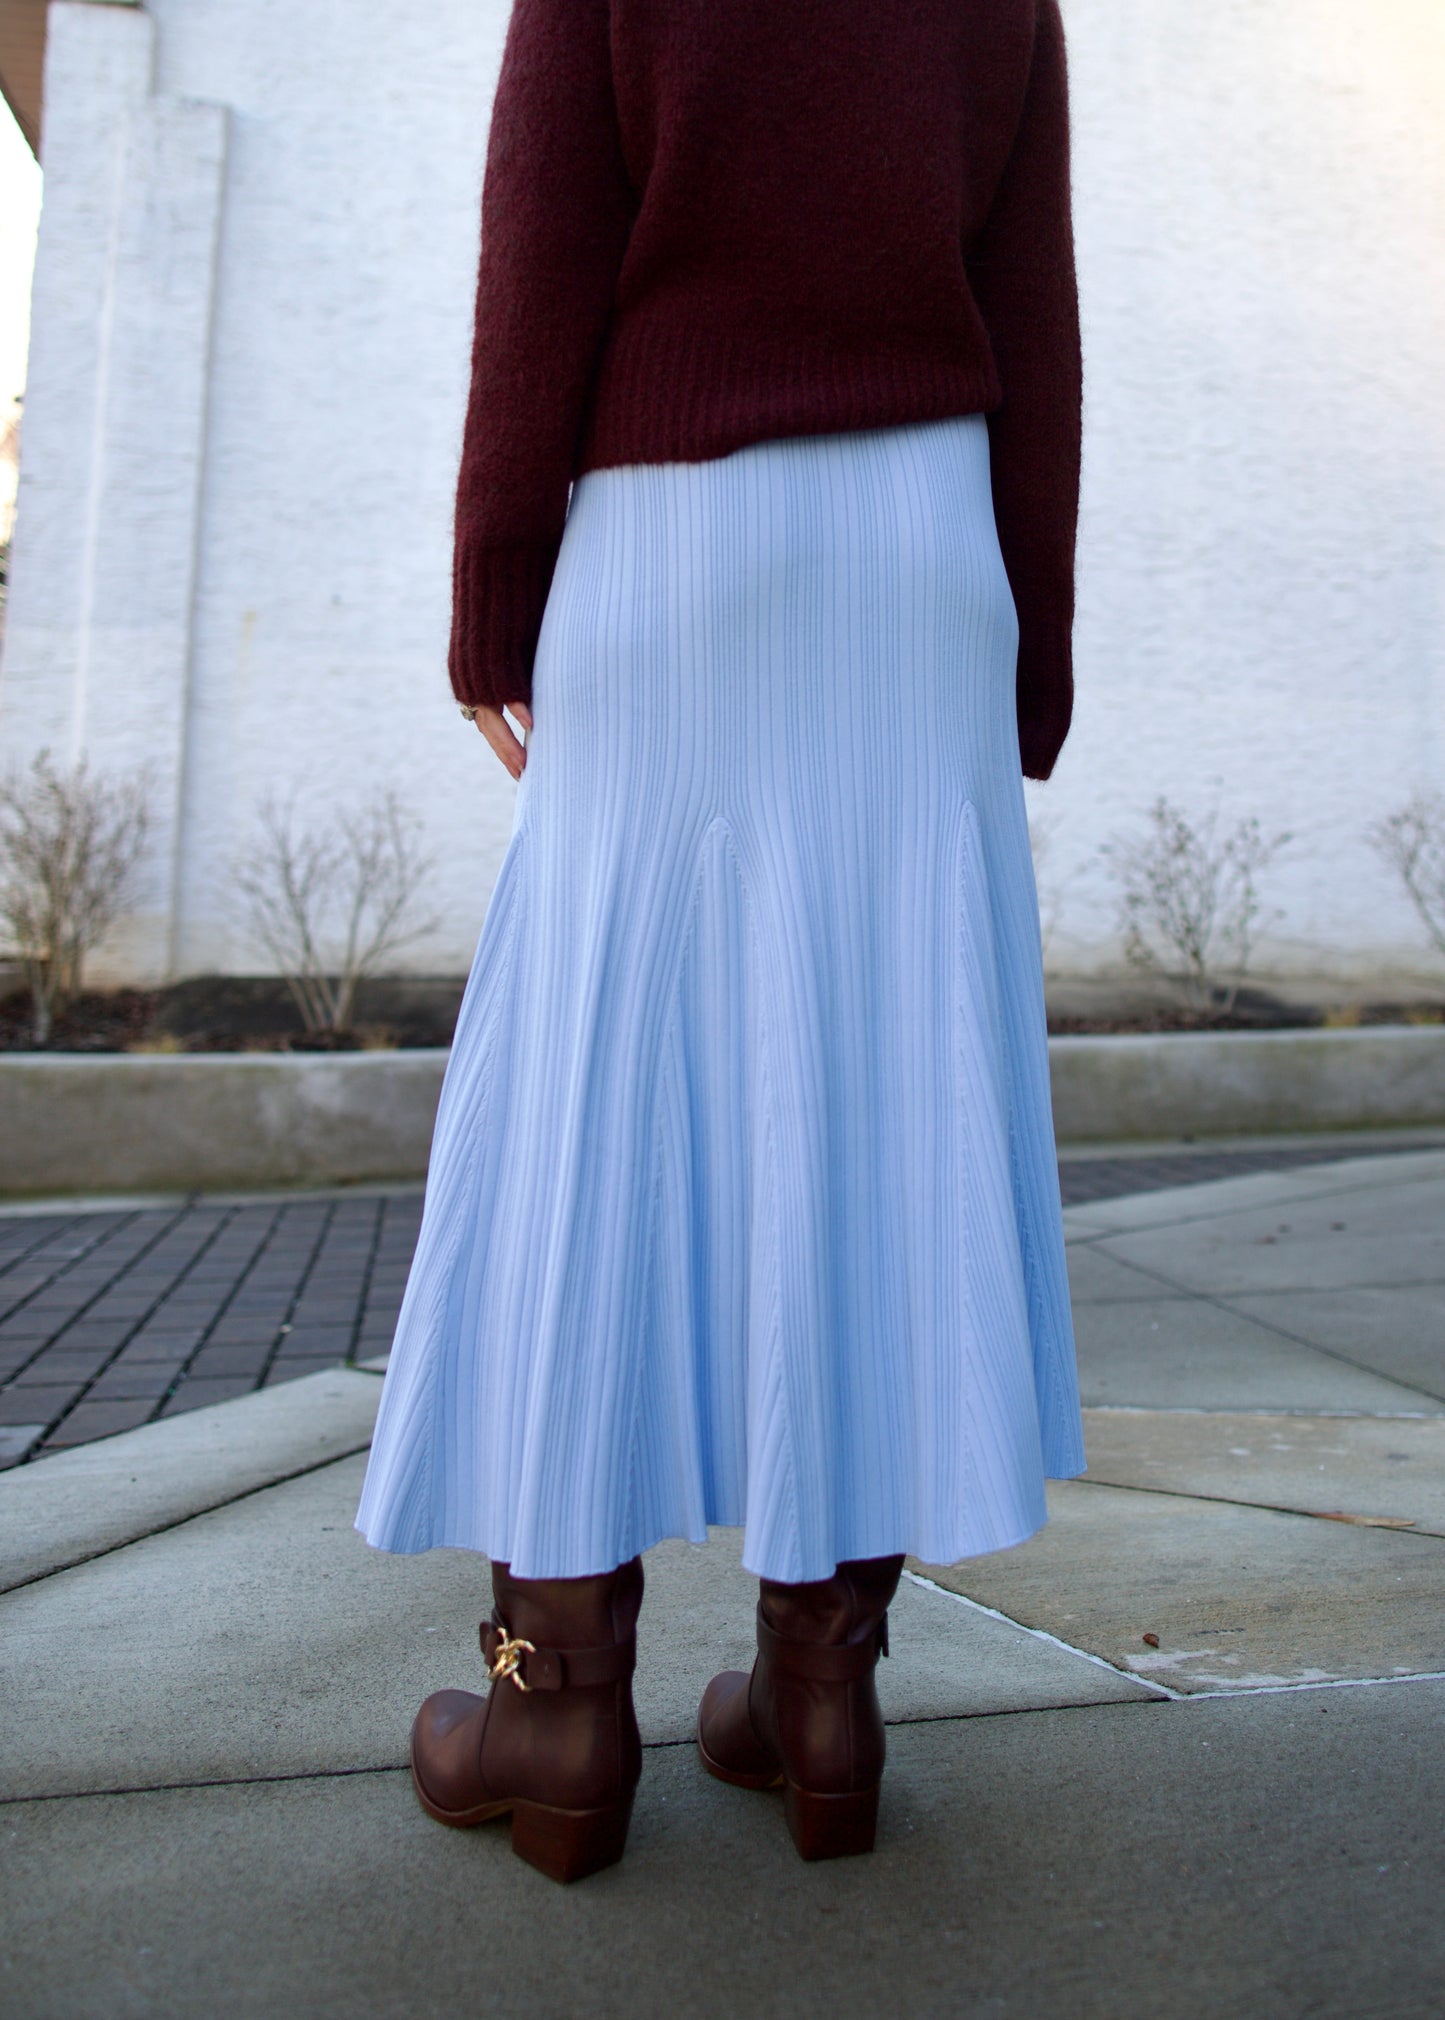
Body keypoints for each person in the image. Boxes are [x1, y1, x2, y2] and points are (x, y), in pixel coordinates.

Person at [356, 0, 1086, 1883]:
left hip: (670, 549)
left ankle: (555, 1705)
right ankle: (818, 1696)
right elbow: (1035, 311)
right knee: (876, 1093)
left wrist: (493, 602)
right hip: (925, 551)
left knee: (593, 1109)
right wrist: (1031, 650)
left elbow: (542, 268)